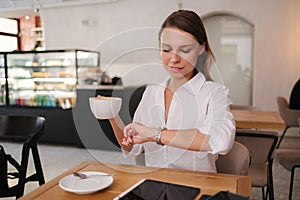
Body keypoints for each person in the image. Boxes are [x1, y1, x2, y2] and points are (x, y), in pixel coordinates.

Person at [108, 10, 235, 173]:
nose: (174, 59)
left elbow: (220, 141)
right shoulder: (151, 92)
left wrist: (156, 134)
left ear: (201, 48)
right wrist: (112, 115)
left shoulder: (214, 93)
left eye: (184, 50)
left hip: (196, 187)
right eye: (167, 50)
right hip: (155, 187)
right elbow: (131, 147)